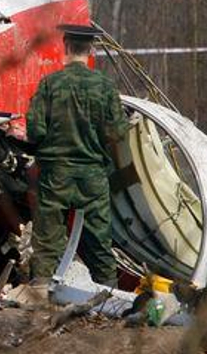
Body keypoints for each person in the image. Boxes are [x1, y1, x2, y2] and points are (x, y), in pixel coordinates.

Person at [26, 24, 130, 286]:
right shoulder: (106, 87)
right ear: (91, 49)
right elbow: (118, 133)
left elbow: (34, 131)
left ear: (66, 46)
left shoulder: (49, 84)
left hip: (55, 176)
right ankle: (109, 302)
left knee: (47, 245)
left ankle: (39, 303)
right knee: (99, 246)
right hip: (93, 177)